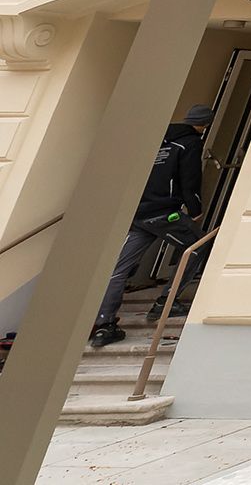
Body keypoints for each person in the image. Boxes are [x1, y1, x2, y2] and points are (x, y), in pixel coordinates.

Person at [87, 105, 211, 347]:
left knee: (120, 268)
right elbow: (190, 178)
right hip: (164, 213)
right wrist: (195, 209)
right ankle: (166, 303)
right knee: (197, 246)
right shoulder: (190, 142)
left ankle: (105, 323)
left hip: (139, 213)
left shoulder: (158, 140)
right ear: (205, 124)